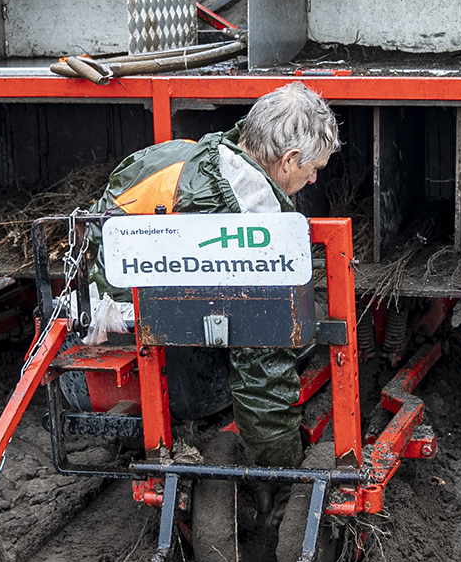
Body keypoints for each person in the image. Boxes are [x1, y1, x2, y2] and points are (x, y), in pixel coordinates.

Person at [92, 81, 339, 470]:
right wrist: (281, 469)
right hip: (174, 369)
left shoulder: (173, 154)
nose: (312, 181)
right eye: (313, 170)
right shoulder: (255, 227)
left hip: (96, 327)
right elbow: (262, 376)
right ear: (289, 160)